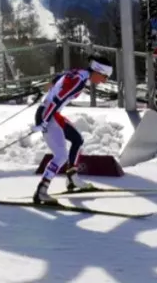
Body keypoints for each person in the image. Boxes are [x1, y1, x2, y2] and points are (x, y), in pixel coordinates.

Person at [31, 54, 112, 205]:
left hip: (51, 113)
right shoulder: (79, 81)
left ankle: (72, 177)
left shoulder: (80, 73)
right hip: (48, 113)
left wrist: (52, 84)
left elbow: (62, 76)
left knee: (77, 140)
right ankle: (42, 191)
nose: (104, 81)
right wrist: (44, 121)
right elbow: (57, 100)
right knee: (61, 156)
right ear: (97, 71)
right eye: (104, 76)